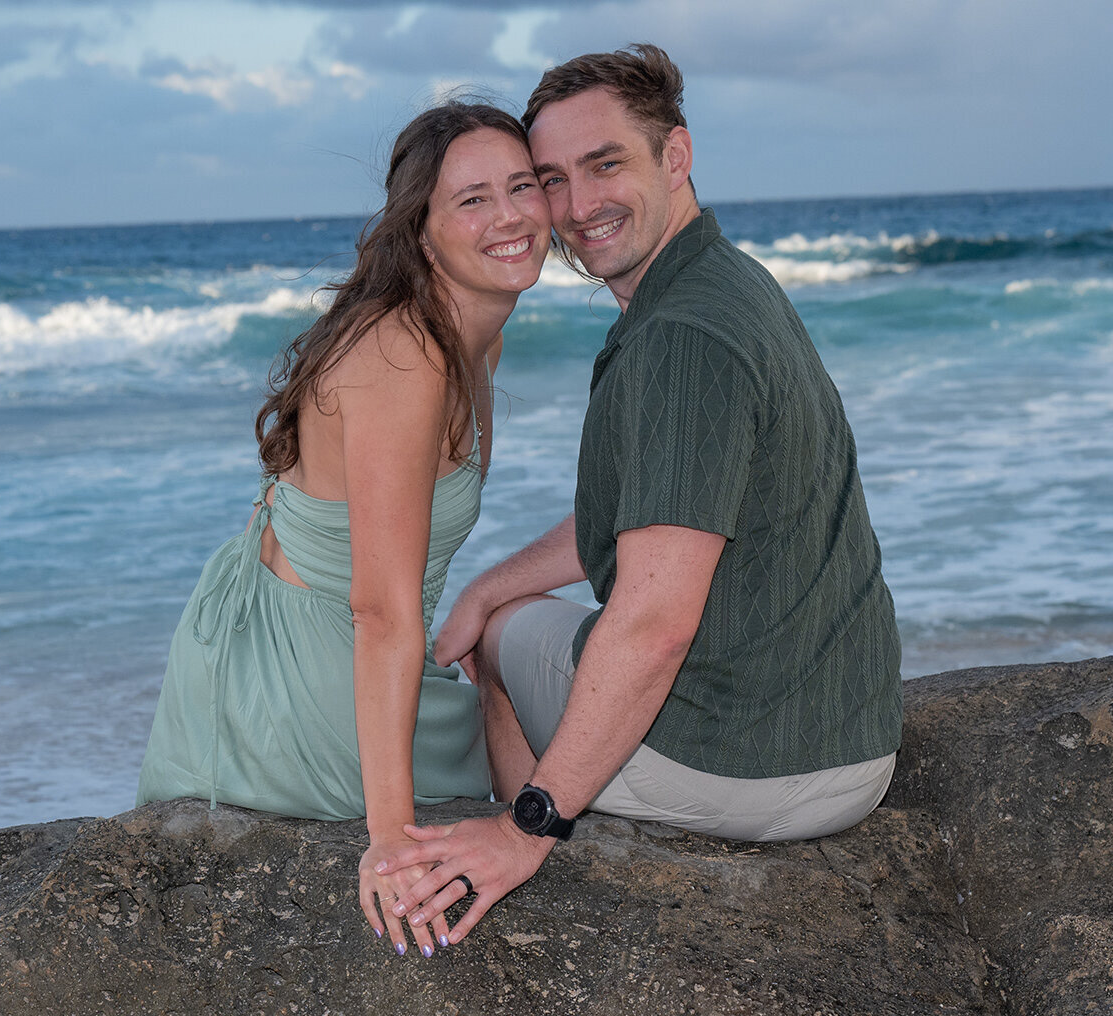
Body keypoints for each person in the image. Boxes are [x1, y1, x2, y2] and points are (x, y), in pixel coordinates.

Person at [377, 44, 904, 944]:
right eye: (553, 180)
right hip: (847, 739)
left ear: (676, 156)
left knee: (502, 646)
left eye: (605, 164)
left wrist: (528, 826)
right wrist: (490, 584)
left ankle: (524, 853)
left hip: (749, 766)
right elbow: (659, 509)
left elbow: (655, 626)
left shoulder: (681, 340)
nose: (579, 206)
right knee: (505, 613)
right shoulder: (724, 282)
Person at [135, 101, 551, 959]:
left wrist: (488, 593)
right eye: (473, 199)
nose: (509, 216)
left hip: (343, 648)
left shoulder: (475, 336)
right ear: (422, 230)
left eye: (522, 186)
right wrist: (390, 834)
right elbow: (382, 612)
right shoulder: (406, 353)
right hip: (304, 679)